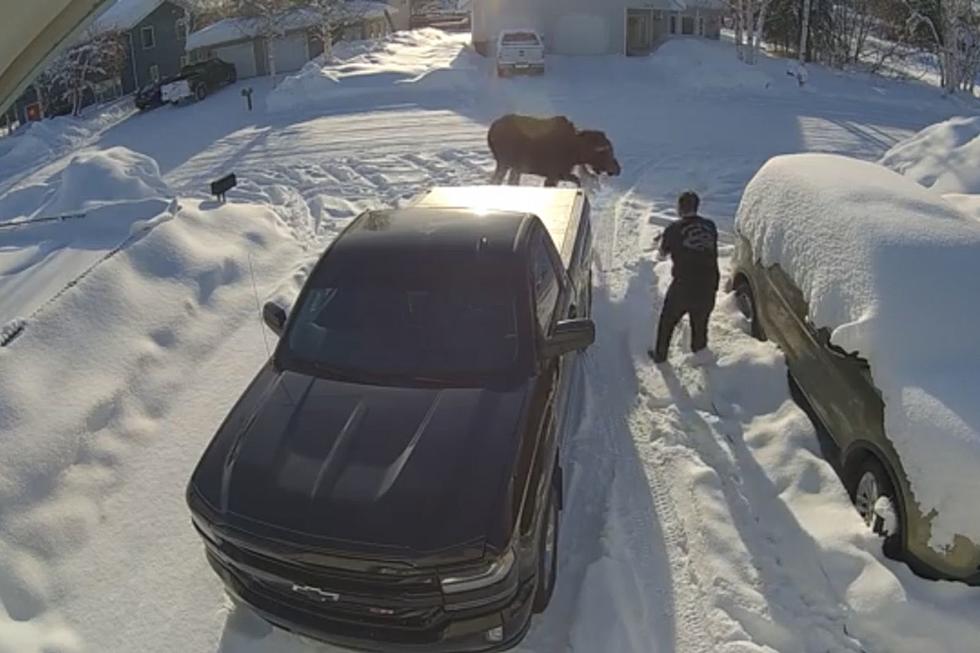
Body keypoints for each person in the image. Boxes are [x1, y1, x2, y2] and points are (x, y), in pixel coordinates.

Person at [648, 191, 719, 364]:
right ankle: (700, 354)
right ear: (696, 207)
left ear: (679, 208)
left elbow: (662, 254)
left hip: (684, 284)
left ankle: (660, 355)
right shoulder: (710, 225)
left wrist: (662, 240)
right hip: (709, 283)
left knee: (667, 321)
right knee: (700, 323)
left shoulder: (673, 229)